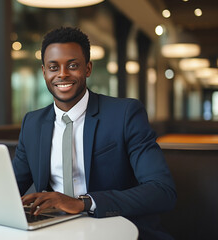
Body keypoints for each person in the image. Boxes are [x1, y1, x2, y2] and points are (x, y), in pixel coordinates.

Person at [12, 27, 176, 239]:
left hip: (118, 228)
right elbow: (12, 186)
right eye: (54, 67)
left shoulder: (125, 114)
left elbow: (162, 191)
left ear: (87, 69)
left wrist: (83, 203)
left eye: (72, 65)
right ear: (44, 72)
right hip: (56, 230)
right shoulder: (33, 123)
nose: (62, 74)